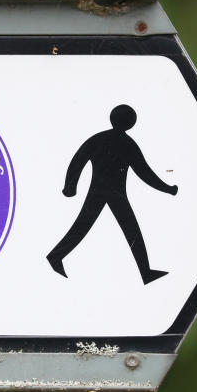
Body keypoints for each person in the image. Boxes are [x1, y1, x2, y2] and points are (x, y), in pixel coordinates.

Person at [47, 104, 178, 284]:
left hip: (104, 192)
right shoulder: (127, 143)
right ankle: (55, 257)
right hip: (111, 192)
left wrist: (70, 186)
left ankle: (146, 272)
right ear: (130, 123)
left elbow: (78, 161)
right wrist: (168, 189)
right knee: (122, 229)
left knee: (90, 226)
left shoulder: (99, 139)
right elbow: (145, 173)